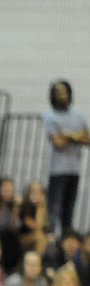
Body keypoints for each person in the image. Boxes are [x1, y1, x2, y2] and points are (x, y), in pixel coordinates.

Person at [43, 80, 90, 237]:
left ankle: (65, 238)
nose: (61, 95)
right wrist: (74, 135)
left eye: (64, 91)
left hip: (74, 170)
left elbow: (87, 139)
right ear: (53, 95)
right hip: (58, 170)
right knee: (54, 208)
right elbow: (58, 143)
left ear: (69, 93)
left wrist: (66, 135)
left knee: (69, 209)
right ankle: (52, 238)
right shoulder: (50, 116)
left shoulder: (78, 115)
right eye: (57, 92)